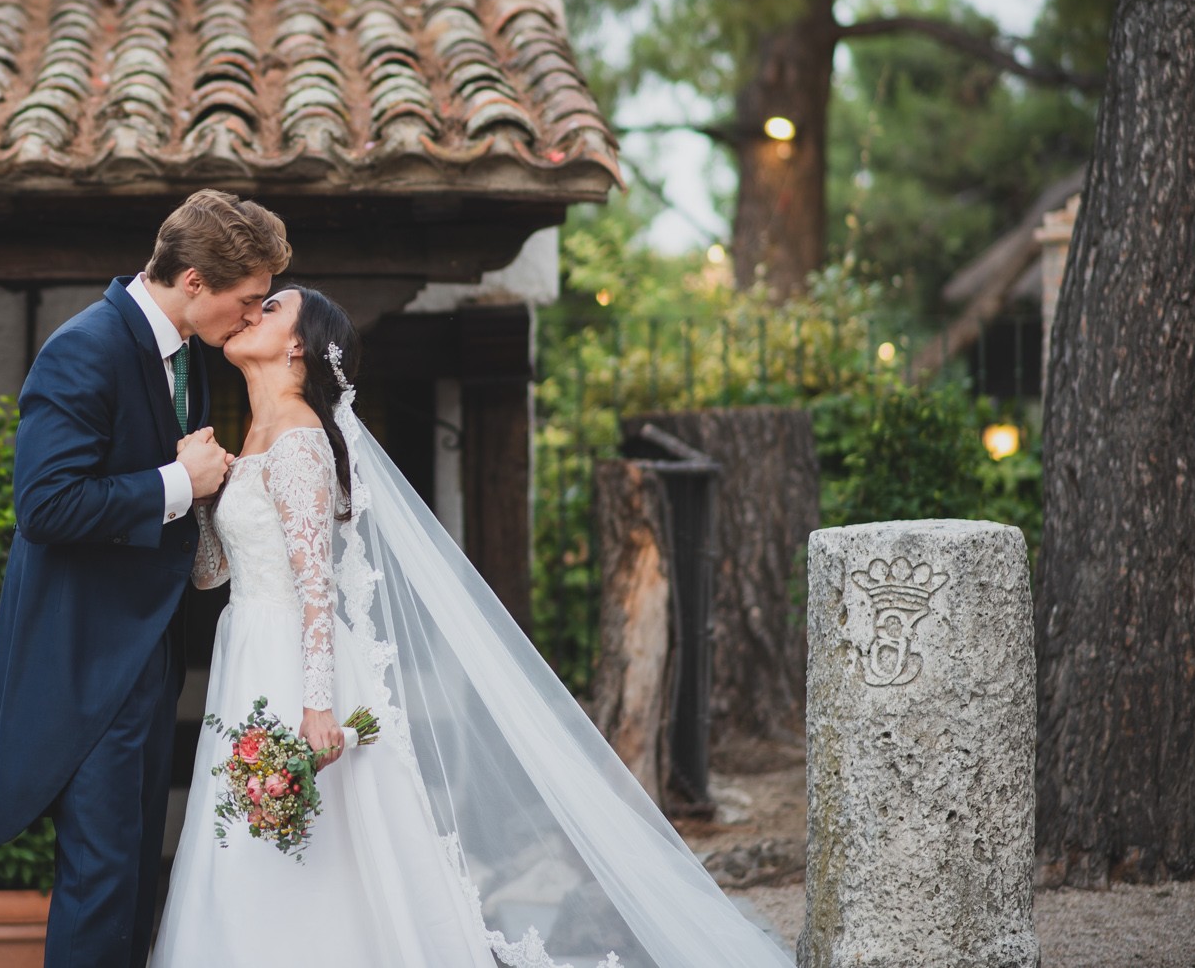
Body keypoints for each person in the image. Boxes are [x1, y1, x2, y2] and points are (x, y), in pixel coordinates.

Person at [151, 286, 795, 968]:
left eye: (270, 307)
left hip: (292, 660)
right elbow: (210, 576)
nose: (250, 312)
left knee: (310, 844)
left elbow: (316, 592)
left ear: (298, 345)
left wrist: (316, 707)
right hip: (244, 649)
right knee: (247, 837)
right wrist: (203, 495)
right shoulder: (253, 435)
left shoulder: (300, 439)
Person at [0, 189, 292, 968]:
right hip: (88, 663)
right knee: (103, 879)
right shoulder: (85, 347)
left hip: (145, 656)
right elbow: (43, 503)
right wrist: (177, 482)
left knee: (134, 874)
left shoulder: (184, 355)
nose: (252, 319)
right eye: (246, 301)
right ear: (192, 281)